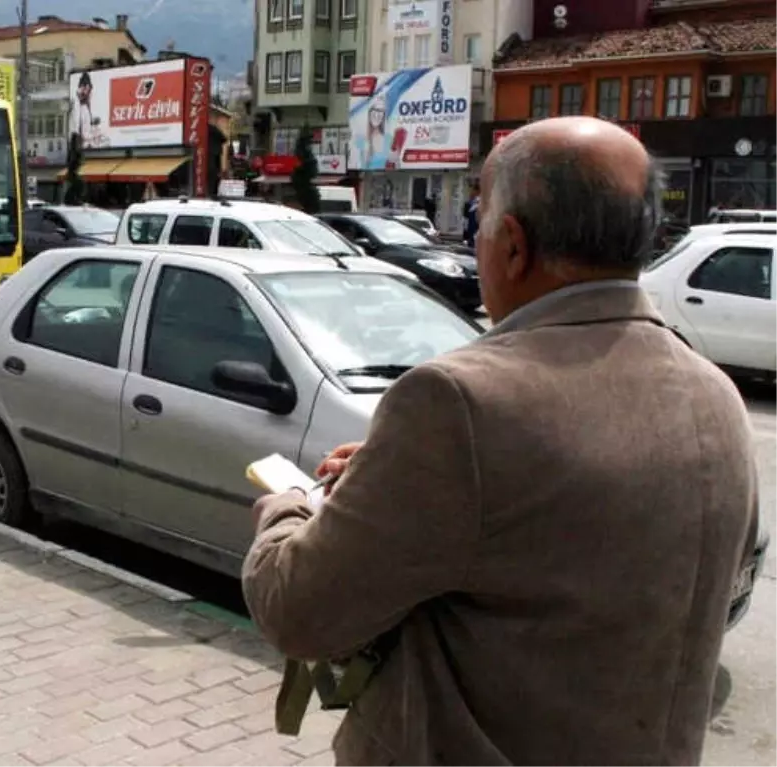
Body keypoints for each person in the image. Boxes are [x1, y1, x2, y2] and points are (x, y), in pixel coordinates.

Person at [242, 116, 757, 766]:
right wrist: (389, 480)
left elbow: (298, 609)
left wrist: (287, 509)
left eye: (478, 221)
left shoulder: (457, 403)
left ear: (512, 246)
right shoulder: (717, 397)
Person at [462, 180, 480, 246]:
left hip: (475, 238)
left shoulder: (479, 204)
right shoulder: (469, 204)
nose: (470, 192)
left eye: (472, 190)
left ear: (477, 191)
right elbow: (465, 222)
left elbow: (466, 222)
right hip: (471, 237)